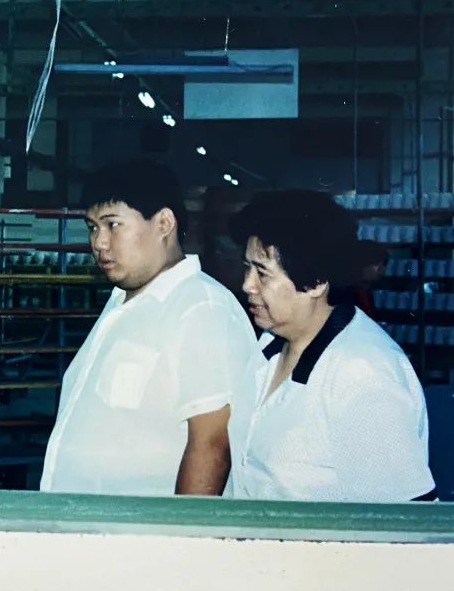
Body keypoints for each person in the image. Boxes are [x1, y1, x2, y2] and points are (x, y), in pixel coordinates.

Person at [40, 160, 261, 497]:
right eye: (93, 227)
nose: (99, 242)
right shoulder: (122, 302)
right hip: (91, 525)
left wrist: (183, 529)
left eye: (113, 225)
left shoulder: (201, 309)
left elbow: (213, 444)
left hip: (143, 528)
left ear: (164, 223)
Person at [228, 190, 434, 502]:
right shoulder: (269, 344)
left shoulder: (362, 374)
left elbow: (405, 519)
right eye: (248, 267)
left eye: (263, 273)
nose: (247, 284)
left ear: (316, 281)